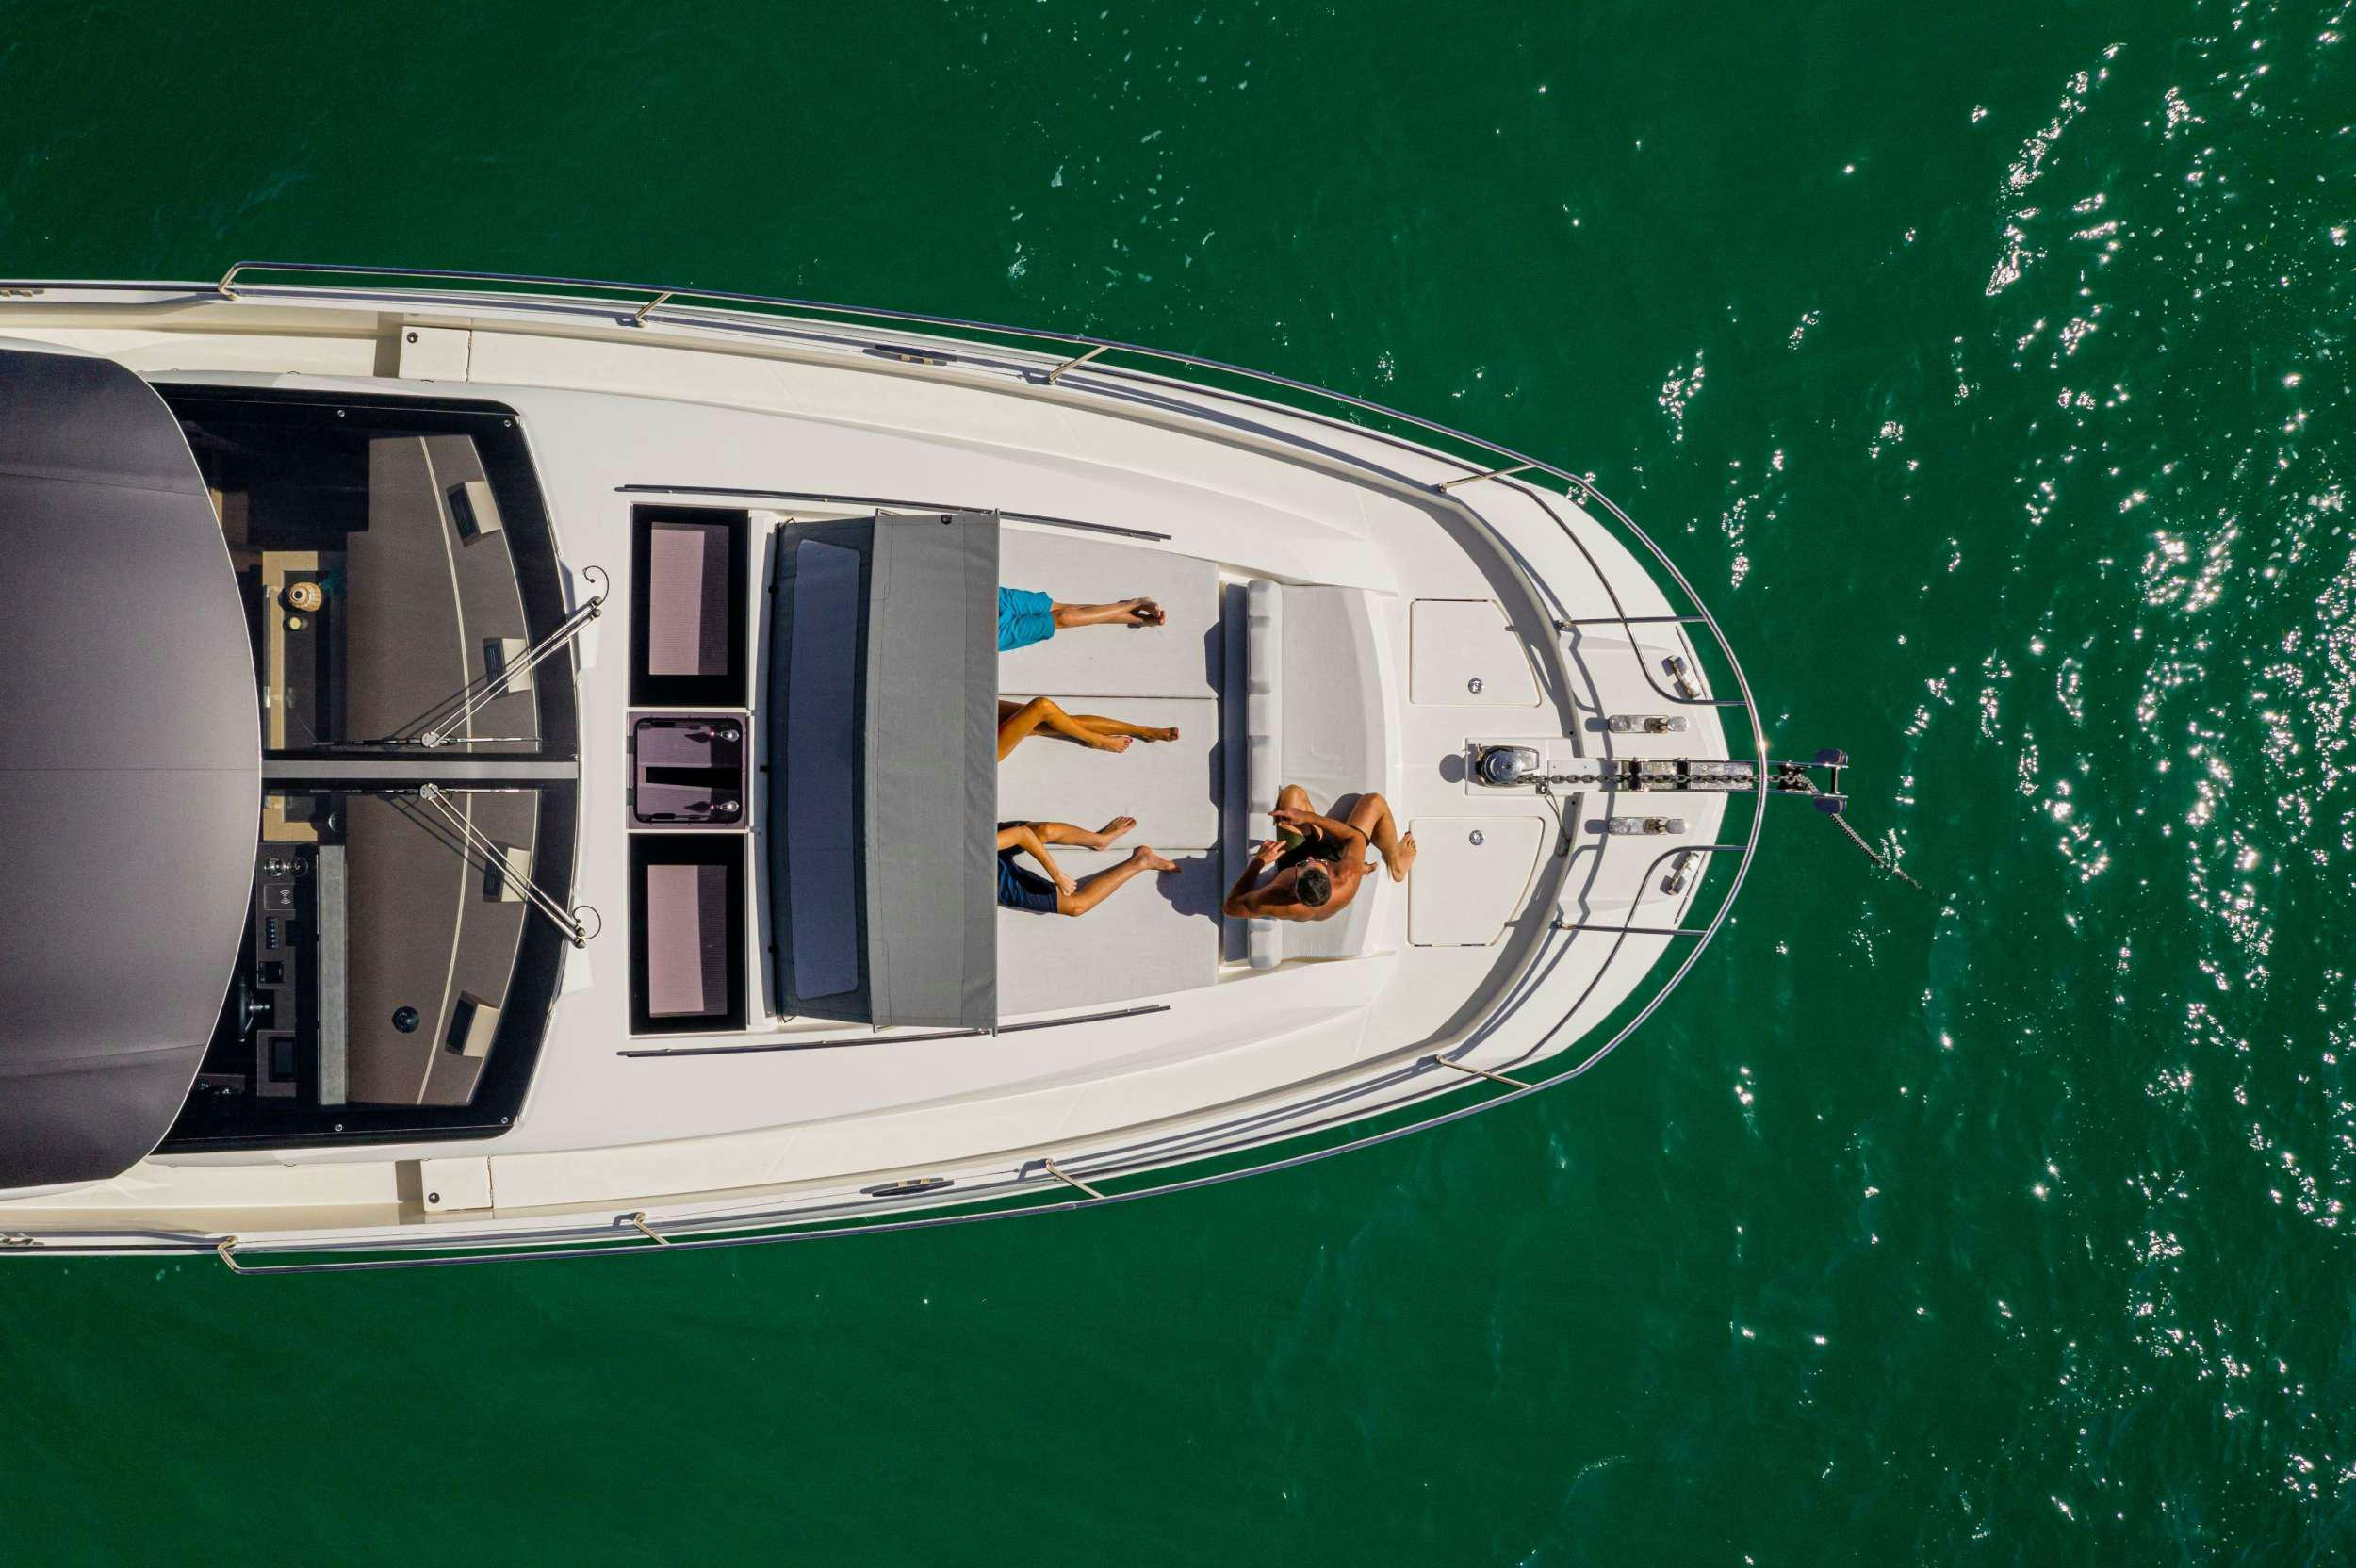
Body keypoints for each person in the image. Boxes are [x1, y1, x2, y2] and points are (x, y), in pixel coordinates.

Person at [1222, 786, 1416, 923]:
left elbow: (1230, 906)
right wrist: (1309, 818)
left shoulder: (1279, 898)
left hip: (1290, 859)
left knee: (1292, 795)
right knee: (1374, 802)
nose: (1309, 859)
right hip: (1335, 855)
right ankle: (1398, 866)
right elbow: (1354, 837)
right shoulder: (1346, 875)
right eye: (1313, 864)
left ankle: (1375, 863)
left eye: (1306, 865)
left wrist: (1259, 861)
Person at [997, 815, 1176, 917]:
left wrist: (1057, 874)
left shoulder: (972, 848)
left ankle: (1100, 840)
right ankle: (1141, 861)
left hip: (984, 853)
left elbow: (1023, 834)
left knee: (1045, 830)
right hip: (991, 883)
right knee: (1077, 907)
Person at [997, 696, 1178, 760]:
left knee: (1057, 720)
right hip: (984, 750)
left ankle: (1142, 730)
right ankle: (1096, 739)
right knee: (1042, 708)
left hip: (972, 718)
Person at [997, 589, 1164, 654]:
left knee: (1060, 608)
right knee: (1064, 618)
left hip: (990, 599)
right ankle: (1136, 603)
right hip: (988, 634)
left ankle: (1139, 618)